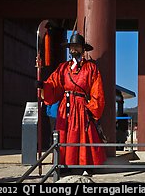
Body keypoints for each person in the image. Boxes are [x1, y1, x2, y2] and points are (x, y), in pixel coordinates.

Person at [37, 32, 106, 173]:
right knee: (63, 134)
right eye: (72, 46)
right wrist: (43, 85)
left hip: (81, 106)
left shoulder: (91, 68)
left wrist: (92, 108)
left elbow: (97, 90)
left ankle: (84, 166)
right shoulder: (63, 68)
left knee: (82, 135)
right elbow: (53, 83)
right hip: (65, 106)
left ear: (83, 49)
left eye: (77, 46)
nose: (74, 49)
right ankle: (62, 165)